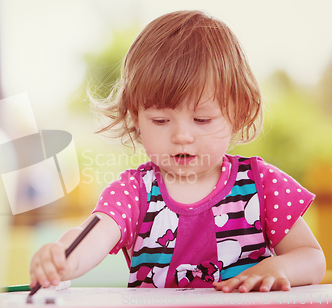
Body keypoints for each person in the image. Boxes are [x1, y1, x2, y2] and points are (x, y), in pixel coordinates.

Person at [29, 10, 326, 292]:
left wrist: (281, 268)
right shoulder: (134, 191)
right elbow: (95, 234)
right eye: (160, 120)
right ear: (135, 118)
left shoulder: (261, 184)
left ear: (238, 113)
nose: (182, 136)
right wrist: (63, 258)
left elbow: (311, 257)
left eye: (202, 119)